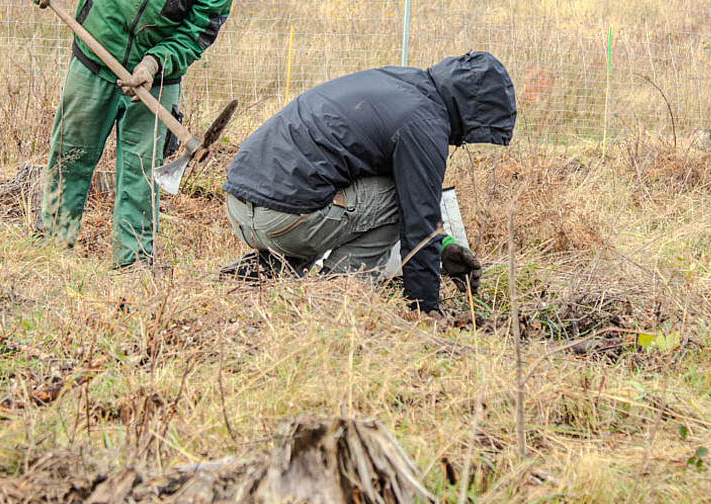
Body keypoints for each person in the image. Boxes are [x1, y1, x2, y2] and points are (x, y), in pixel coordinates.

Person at [24, 0, 239, 263]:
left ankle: (134, 260)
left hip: (155, 81)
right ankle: (52, 247)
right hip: (93, 62)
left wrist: (156, 62)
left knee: (142, 174)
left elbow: (197, 35)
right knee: (71, 154)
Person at [221, 51, 517, 315]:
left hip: (240, 205)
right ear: (472, 112)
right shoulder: (425, 123)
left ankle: (264, 271)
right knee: (396, 199)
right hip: (283, 219)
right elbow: (419, 221)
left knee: (332, 184)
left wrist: (443, 246)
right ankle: (339, 292)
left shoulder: (400, 81)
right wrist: (425, 309)